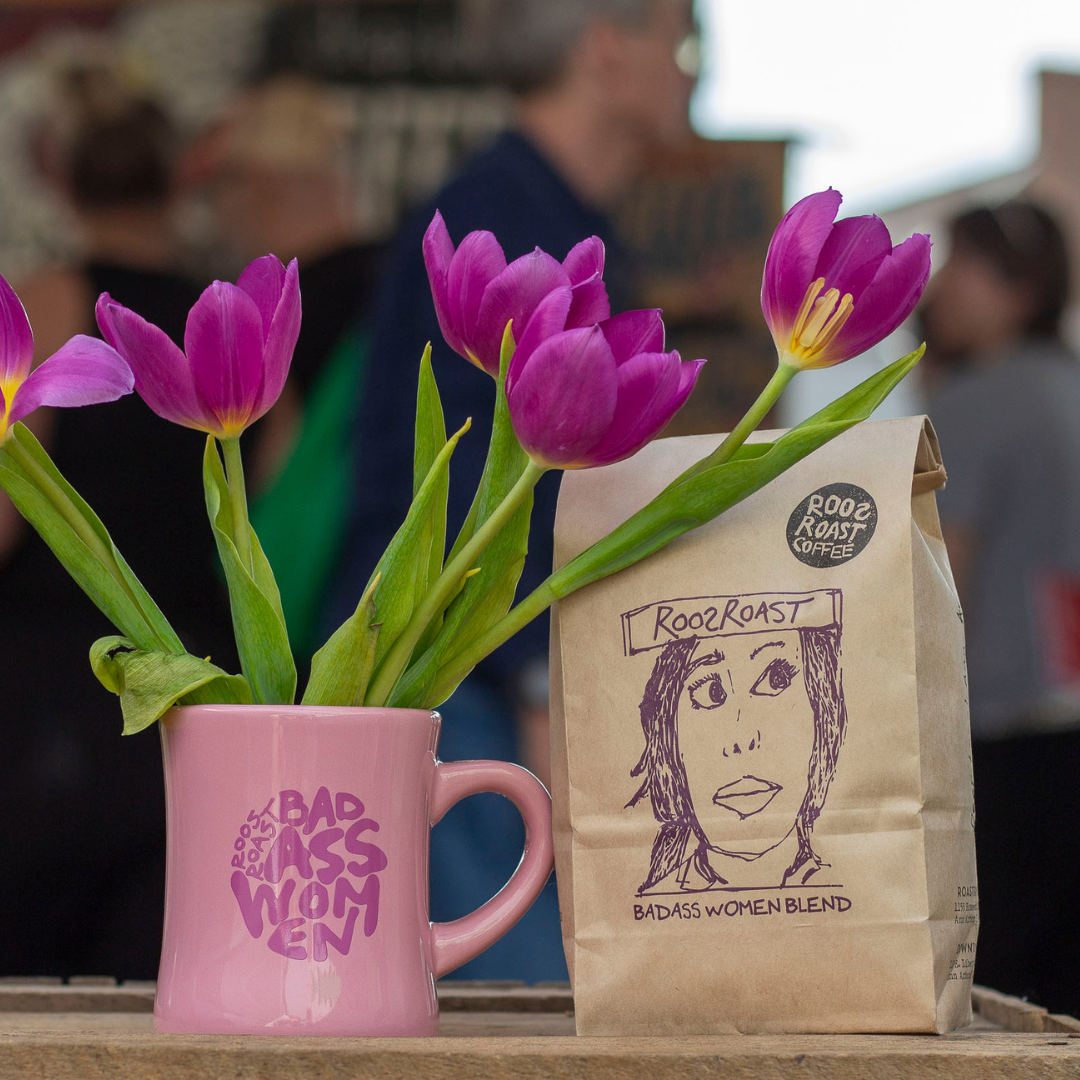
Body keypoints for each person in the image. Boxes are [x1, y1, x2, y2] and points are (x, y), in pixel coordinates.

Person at [323, 0, 697, 980]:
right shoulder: (504, 215)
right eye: (681, 42)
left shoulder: (566, 212)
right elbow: (450, 475)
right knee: (519, 997)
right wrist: (539, 672)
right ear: (606, 50)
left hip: (490, 668)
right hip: (454, 671)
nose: (694, 75)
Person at [0, 50, 233, 978]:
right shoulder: (230, 325)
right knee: (163, 988)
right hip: (197, 692)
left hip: (51, 702)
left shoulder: (44, 302)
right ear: (183, 172)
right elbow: (284, 523)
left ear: (51, 171)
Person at [922, 201, 1080, 1016]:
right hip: (1068, 709)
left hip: (1001, 728)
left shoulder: (978, 401)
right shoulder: (1069, 383)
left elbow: (943, 572)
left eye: (964, 266)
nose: (942, 285)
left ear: (1021, 289)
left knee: (1001, 984)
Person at [195, 76, 384, 659]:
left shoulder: (279, 304)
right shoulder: (390, 276)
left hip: (311, 609)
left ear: (253, 186)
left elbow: (277, 467)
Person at [627, 593, 847, 894]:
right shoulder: (651, 904)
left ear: (823, 710)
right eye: (712, 693)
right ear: (668, 737)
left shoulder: (862, 893)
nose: (743, 739)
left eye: (776, 680)